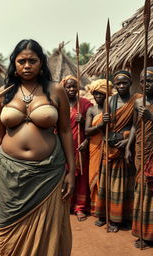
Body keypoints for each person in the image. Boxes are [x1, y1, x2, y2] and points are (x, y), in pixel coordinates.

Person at [0, 39, 75, 256]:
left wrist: (71, 171)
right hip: (9, 175)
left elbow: (65, 131)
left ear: (41, 63)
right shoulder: (3, 93)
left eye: (32, 61)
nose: (27, 65)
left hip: (48, 173)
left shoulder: (56, 90)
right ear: (14, 64)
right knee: (10, 231)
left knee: (48, 233)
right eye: (21, 61)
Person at [95, 70, 141, 232]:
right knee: (109, 182)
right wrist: (104, 121)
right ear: (114, 85)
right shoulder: (109, 101)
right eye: (118, 83)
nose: (121, 86)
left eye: (124, 83)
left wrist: (128, 141)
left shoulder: (137, 100)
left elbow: (136, 125)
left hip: (126, 146)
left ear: (130, 84)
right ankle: (107, 216)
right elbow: (104, 127)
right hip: (110, 145)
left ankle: (124, 218)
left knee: (125, 184)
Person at [125, 67, 153, 248]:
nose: (145, 84)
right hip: (140, 150)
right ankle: (142, 232)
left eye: (150, 81)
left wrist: (151, 116)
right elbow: (135, 126)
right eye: (142, 81)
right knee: (141, 190)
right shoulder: (138, 102)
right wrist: (128, 146)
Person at [61, 75, 93, 221]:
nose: (72, 89)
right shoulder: (59, 104)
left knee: (81, 176)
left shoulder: (85, 104)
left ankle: (80, 207)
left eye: (74, 86)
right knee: (65, 174)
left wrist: (84, 120)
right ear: (64, 88)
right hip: (64, 147)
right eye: (68, 86)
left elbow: (93, 127)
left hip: (80, 146)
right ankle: (66, 204)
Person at [85, 79, 111, 216]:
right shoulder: (91, 110)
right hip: (95, 145)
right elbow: (87, 131)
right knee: (94, 176)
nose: (99, 97)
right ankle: (97, 209)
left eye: (101, 94)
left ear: (107, 94)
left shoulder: (111, 108)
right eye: (96, 94)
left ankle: (107, 210)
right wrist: (100, 125)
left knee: (107, 177)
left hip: (109, 146)